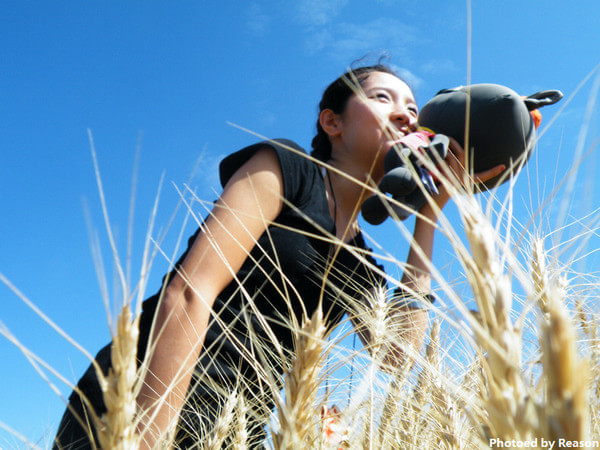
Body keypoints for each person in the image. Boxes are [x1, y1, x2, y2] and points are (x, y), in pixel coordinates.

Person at [53, 64, 504, 449]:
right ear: (333, 122)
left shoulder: (362, 266)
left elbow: (398, 357)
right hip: (144, 395)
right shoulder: (286, 167)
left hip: (236, 428)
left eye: (412, 107)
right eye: (384, 97)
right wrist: (149, 434)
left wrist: (429, 216)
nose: (406, 114)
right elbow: (191, 291)